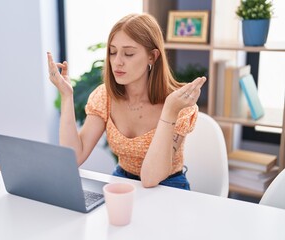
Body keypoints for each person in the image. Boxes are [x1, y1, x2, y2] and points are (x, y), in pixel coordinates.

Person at [47, 13, 206, 190]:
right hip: (121, 181)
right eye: (112, 52)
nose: (117, 62)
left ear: (152, 57)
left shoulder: (178, 106)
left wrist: (169, 111)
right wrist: (67, 96)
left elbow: (150, 179)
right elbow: (74, 156)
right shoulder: (105, 97)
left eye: (128, 54)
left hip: (169, 187)